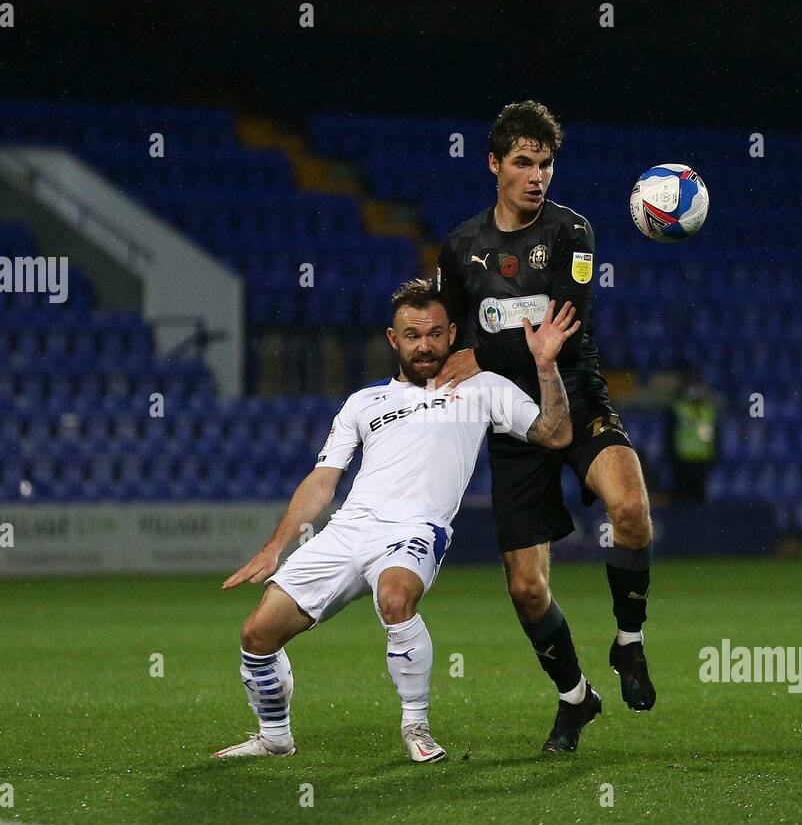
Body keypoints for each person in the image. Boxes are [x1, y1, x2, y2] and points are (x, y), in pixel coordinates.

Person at [214, 279, 578, 762]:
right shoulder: (363, 403)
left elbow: (555, 433)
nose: (424, 345)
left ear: (452, 335)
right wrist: (275, 546)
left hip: (415, 529)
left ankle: (416, 726)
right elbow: (323, 481)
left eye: (433, 334)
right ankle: (275, 736)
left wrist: (546, 366)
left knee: (396, 596)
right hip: (349, 530)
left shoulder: (482, 387)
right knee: (257, 635)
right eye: (412, 335)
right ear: (393, 339)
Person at [436, 100, 655, 752]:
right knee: (527, 588)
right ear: (495, 164)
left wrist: (484, 351)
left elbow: (565, 323)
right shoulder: (461, 248)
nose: (537, 176)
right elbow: (447, 342)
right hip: (512, 423)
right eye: (524, 163)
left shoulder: (572, 232)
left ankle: (630, 641)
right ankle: (575, 699)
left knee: (633, 508)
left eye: (547, 163)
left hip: (579, 399)